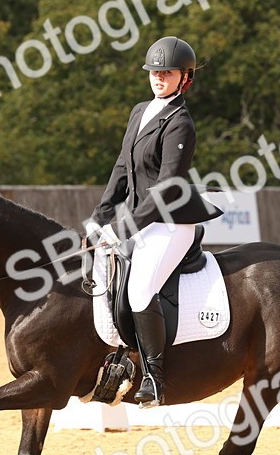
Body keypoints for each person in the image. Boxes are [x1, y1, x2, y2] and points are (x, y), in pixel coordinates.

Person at [87, 35, 222, 408]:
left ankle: (154, 379)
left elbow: (165, 189)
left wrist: (121, 228)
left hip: (170, 223)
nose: (159, 77)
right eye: (154, 71)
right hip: (136, 219)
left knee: (140, 290)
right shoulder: (139, 111)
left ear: (185, 78)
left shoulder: (180, 123)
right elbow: (120, 169)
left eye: (167, 72)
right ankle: (117, 362)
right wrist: (99, 218)